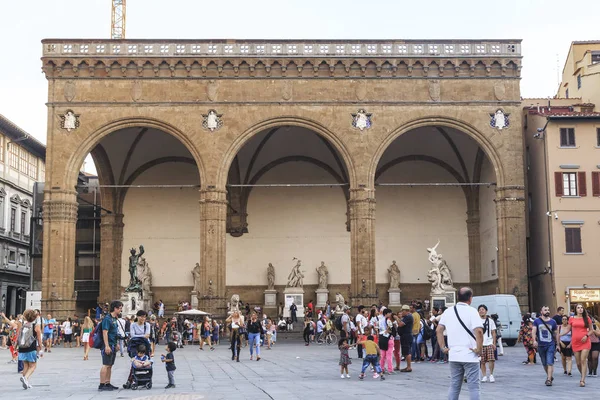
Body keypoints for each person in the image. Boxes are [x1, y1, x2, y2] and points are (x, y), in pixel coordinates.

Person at [436, 287, 484, 400]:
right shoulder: (472, 311)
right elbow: (479, 331)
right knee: (474, 387)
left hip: (454, 355)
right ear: (470, 298)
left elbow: (439, 330)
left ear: (458, 297)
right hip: (470, 354)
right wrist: (479, 348)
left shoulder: (448, 311)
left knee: (454, 386)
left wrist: (443, 347)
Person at [561, 303, 593, 387]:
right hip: (575, 342)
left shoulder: (587, 318)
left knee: (583, 360)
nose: (580, 309)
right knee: (578, 363)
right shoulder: (571, 318)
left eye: (582, 308)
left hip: (585, 341)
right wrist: (560, 334)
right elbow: (568, 329)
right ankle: (582, 374)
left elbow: (591, 330)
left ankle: (582, 380)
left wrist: (586, 336)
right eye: (578, 308)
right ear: (575, 309)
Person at [12, 310, 43, 390]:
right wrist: (40, 348)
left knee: (26, 365)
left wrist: (15, 346)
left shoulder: (22, 324)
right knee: (33, 366)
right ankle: (25, 378)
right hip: (31, 347)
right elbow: (39, 339)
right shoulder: (36, 326)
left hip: (22, 348)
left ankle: (26, 382)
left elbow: (18, 335)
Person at [99, 300, 123, 391]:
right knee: (105, 364)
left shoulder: (114, 319)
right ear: (115, 308)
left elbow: (114, 333)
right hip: (108, 345)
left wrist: (116, 344)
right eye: (120, 308)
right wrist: (107, 346)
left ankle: (107, 382)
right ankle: (102, 384)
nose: (121, 310)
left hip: (113, 344)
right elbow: (105, 332)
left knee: (110, 365)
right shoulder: (107, 319)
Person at [532, 305, 559, 386]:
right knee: (544, 363)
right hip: (541, 345)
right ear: (541, 312)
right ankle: (549, 376)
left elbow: (556, 334)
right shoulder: (537, 321)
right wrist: (534, 340)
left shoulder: (553, 322)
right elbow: (533, 331)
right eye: (545, 310)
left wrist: (558, 344)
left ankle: (548, 379)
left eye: (548, 310)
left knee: (549, 362)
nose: (547, 311)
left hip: (550, 344)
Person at [477, 304, 497, 383]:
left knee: (491, 359)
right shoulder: (476, 320)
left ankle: (491, 374)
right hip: (480, 344)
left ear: (486, 311)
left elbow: (493, 332)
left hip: (489, 342)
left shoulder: (490, 321)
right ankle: (484, 375)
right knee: (482, 361)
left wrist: (494, 343)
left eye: (483, 309)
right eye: (480, 310)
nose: (481, 311)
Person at [397, 304, 414, 372]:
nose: (401, 312)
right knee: (405, 351)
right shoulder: (406, 317)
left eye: (402, 311)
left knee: (407, 351)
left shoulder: (408, 317)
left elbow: (400, 324)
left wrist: (396, 318)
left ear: (406, 311)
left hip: (406, 335)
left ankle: (409, 367)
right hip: (404, 335)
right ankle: (407, 366)